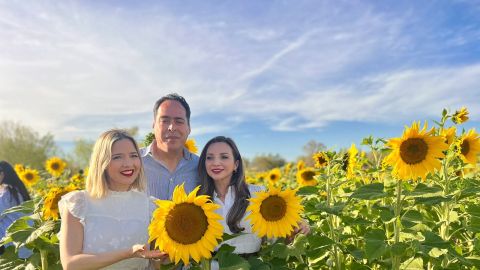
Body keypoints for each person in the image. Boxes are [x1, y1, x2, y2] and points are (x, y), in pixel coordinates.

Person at [59, 129, 167, 269]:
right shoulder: (79, 203)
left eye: (133, 155)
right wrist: (128, 253)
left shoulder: (150, 206)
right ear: (102, 162)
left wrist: (166, 256)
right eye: (117, 157)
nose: (128, 163)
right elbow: (70, 264)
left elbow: (154, 263)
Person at [197, 136, 310, 269]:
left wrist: (296, 227)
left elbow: (275, 234)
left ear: (236, 165)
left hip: (252, 266)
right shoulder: (198, 202)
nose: (216, 162)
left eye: (224, 157)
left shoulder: (257, 194)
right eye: (209, 157)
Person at [141, 93, 199, 200]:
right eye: (165, 121)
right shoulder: (134, 162)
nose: (172, 127)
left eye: (179, 121)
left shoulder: (201, 167)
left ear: (189, 128)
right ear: (153, 125)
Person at [0, 161, 31, 256]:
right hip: (25, 242)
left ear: (2, 174)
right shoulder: (19, 190)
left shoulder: (7, 192)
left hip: (10, 243)